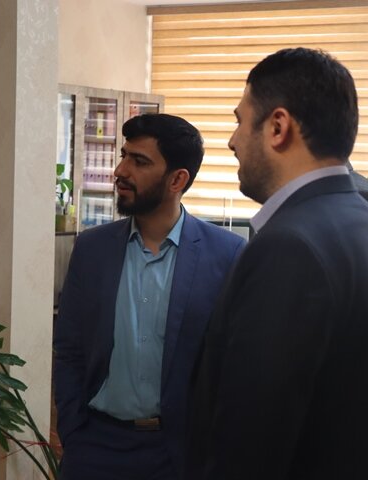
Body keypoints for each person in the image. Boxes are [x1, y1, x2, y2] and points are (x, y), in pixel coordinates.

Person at [186, 48, 368, 479]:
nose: (232, 141)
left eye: (240, 121)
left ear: (278, 127)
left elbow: (251, 440)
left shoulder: (289, 247)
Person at [53, 113, 246, 480]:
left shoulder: (226, 255)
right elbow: (70, 349)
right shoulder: (92, 249)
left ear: (177, 180)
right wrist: (74, 431)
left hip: (179, 453)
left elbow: (232, 366)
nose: (120, 171)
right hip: (94, 447)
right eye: (123, 156)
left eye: (139, 162)